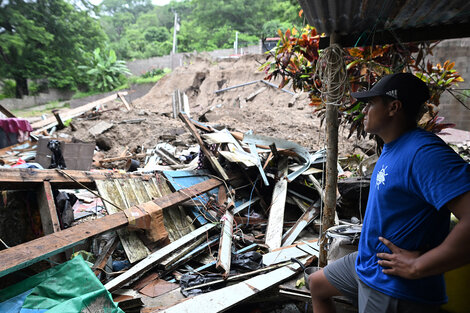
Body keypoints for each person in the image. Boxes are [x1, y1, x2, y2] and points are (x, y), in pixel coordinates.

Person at [308, 73, 470, 313]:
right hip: (369, 263)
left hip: (393, 285)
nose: (364, 111)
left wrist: (419, 265)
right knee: (316, 283)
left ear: (394, 107)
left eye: (371, 103)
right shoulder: (393, 145)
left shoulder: (424, 153)